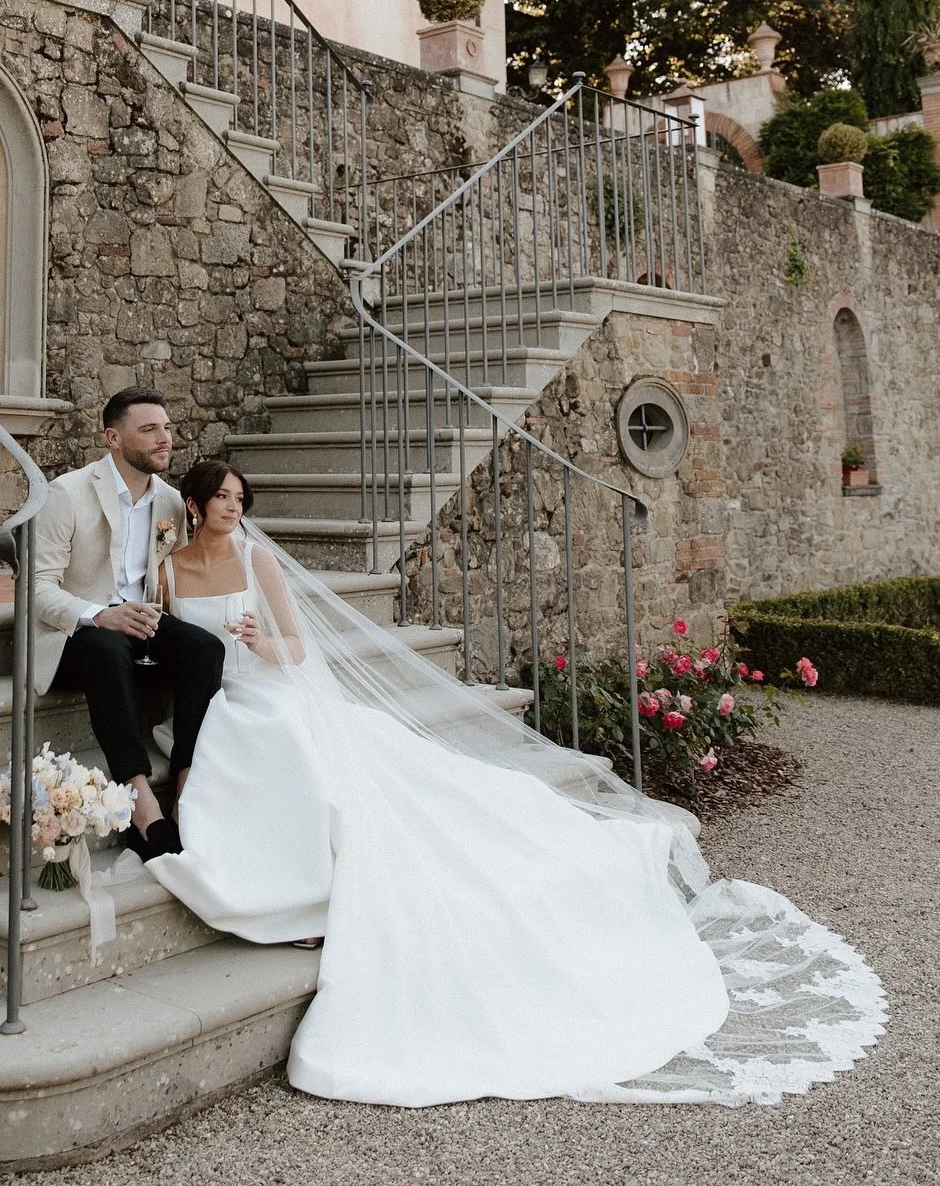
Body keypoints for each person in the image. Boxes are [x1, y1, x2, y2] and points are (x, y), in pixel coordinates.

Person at [148, 459, 887, 1108]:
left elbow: (299, 648)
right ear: (195, 504)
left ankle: (303, 887)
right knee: (232, 752)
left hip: (272, 690)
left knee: (288, 750)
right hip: (219, 701)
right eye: (223, 499)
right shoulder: (170, 569)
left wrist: (261, 642)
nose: (234, 509)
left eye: (242, 499)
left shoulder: (257, 561)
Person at [34, 392, 223, 861]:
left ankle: (183, 786)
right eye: (150, 430)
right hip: (78, 635)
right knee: (107, 647)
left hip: (142, 624)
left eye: (167, 428)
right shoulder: (67, 493)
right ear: (113, 438)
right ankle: (142, 805)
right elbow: (35, 588)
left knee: (206, 649)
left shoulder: (172, 503)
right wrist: (99, 614)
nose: (165, 439)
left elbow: (172, 572)